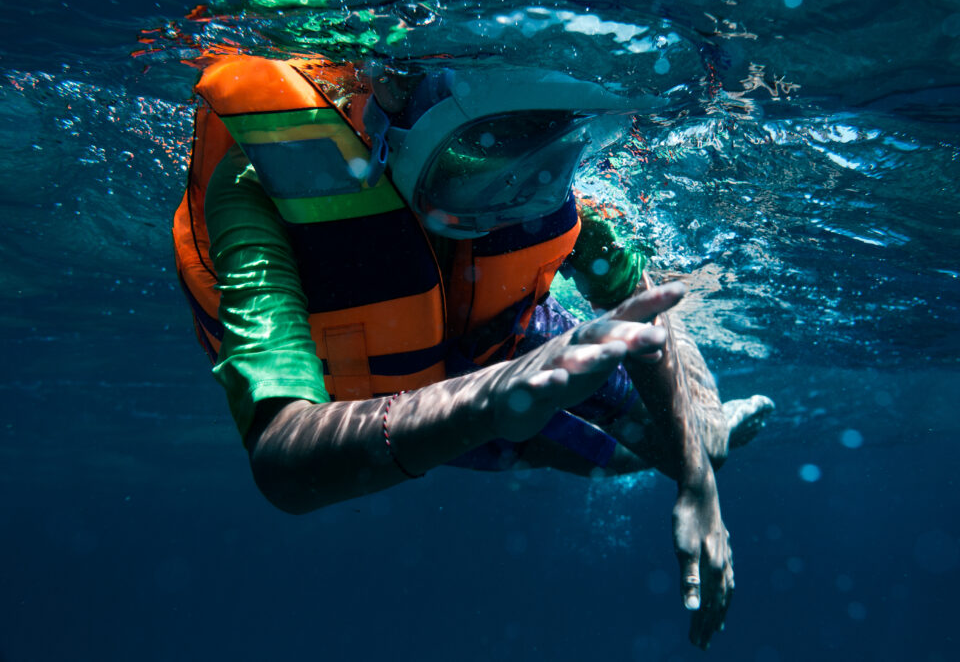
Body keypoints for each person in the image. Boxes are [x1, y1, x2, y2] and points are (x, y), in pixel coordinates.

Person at [172, 54, 774, 650]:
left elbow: (641, 300)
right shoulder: (258, 188)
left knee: (679, 436)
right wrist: (481, 403)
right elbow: (280, 457)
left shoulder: (533, 172)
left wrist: (698, 483)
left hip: (506, 346)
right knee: (612, 446)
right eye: (483, 160)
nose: (509, 204)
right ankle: (644, 453)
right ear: (390, 91)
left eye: (550, 162)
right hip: (400, 408)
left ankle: (688, 443)